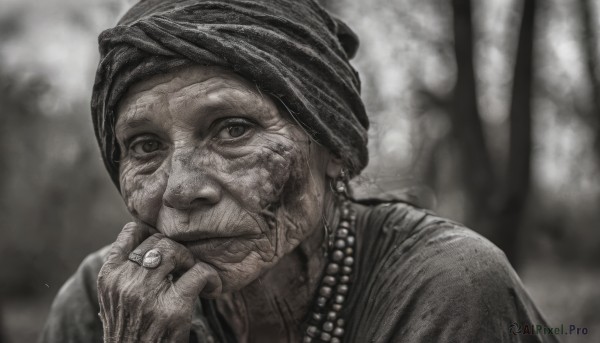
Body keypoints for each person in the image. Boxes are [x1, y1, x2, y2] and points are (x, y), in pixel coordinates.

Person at [40, 0, 557, 342]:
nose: (180, 188)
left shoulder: (447, 289)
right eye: (145, 145)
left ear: (332, 144)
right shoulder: (99, 304)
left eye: (233, 130)